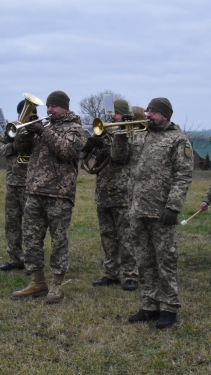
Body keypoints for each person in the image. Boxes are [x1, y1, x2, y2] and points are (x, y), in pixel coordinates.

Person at [112, 97, 193, 330]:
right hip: (138, 209)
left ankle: (169, 306)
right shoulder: (140, 136)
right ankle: (149, 303)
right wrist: (119, 134)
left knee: (165, 259)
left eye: (154, 112)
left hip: (161, 211)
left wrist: (173, 207)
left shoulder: (178, 140)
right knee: (144, 260)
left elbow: (183, 176)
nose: (148, 115)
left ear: (165, 115)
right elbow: (119, 158)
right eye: (147, 110)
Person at [11, 91, 85, 304]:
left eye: (54, 106)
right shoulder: (44, 127)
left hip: (59, 194)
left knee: (59, 241)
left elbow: (67, 151)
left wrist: (43, 131)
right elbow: (19, 149)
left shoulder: (76, 129)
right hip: (34, 191)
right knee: (31, 239)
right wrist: (25, 130)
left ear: (65, 107)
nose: (49, 110)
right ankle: (37, 282)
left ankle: (57, 285)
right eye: (48, 106)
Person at [90, 98, 138, 292]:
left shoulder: (132, 133)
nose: (112, 117)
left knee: (126, 237)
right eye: (111, 114)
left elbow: (120, 157)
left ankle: (130, 275)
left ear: (123, 115)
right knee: (107, 236)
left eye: (116, 114)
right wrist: (93, 146)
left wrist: (120, 133)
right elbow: (94, 164)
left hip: (123, 194)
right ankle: (111, 272)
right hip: (104, 193)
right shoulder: (107, 133)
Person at [0, 100, 36, 272]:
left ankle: (32, 261)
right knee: (12, 223)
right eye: (26, 111)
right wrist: (12, 147)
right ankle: (15, 259)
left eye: (32, 111)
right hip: (13, 184)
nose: (30, 115)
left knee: (31, 225)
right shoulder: (12, 129)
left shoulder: (37, 129)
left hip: (31, 184)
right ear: (19, 113)